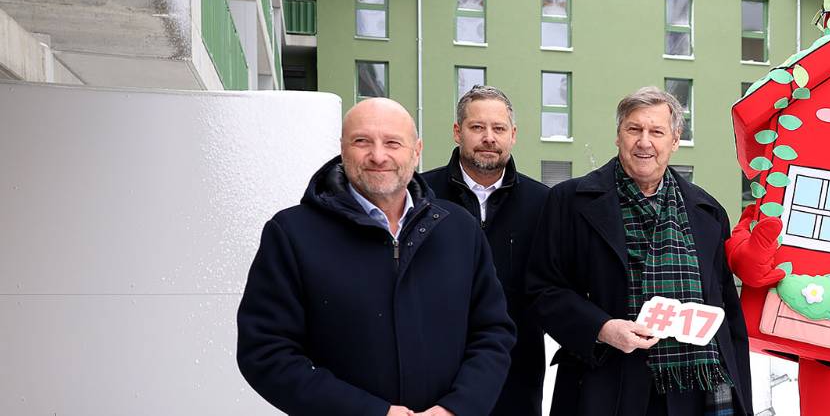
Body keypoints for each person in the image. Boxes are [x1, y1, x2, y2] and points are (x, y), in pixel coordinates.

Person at [237, 98, 515, 416]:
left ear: (416, 151)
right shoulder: (292, 234)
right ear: (343, 148)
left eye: (393, 143)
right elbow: (266, 352)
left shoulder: (459, 230)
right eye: (362, 141)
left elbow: (493, 333)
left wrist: (456, 408)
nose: (378, 156)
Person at [526, 87, 753, 416]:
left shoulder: (707, 212)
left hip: (693, 389)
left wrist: (742, 395)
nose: (644, 142)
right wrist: (602, 328)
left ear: (674, 141)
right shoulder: (569, 202)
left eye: (656, 132)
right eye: (634, 129)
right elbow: (542, 290)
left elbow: (728, 315)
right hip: (604, 382)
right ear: (618, 136)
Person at [421, 86, 551, 416]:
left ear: (513, 135)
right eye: (477, 127)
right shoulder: (420, 196)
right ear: (457, 132)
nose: (489, 137)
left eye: (499, 128)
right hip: (435, 369)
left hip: (517, 370)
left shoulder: (544, 203)